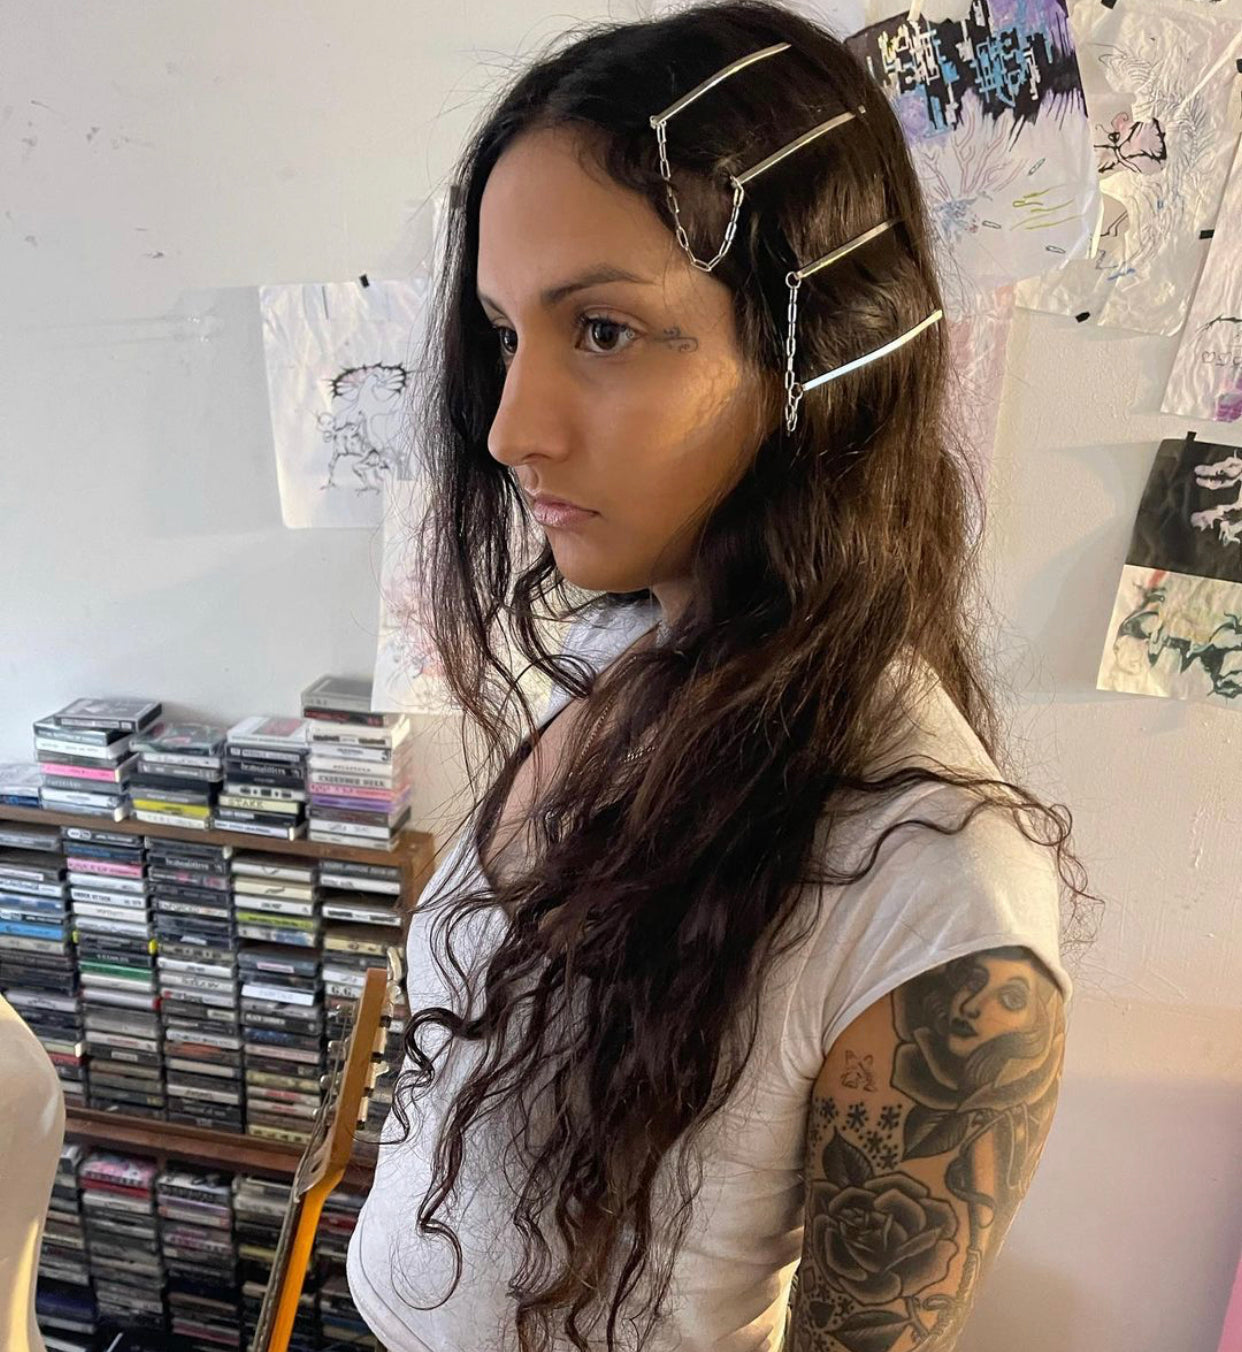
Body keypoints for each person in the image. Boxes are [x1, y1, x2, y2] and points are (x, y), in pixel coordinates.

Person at [347, 2, 1099, 1349]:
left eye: (605, 330)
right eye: (506, 333)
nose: (512, 428)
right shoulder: (618, 654)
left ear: (821, 356)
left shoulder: (934, 885)